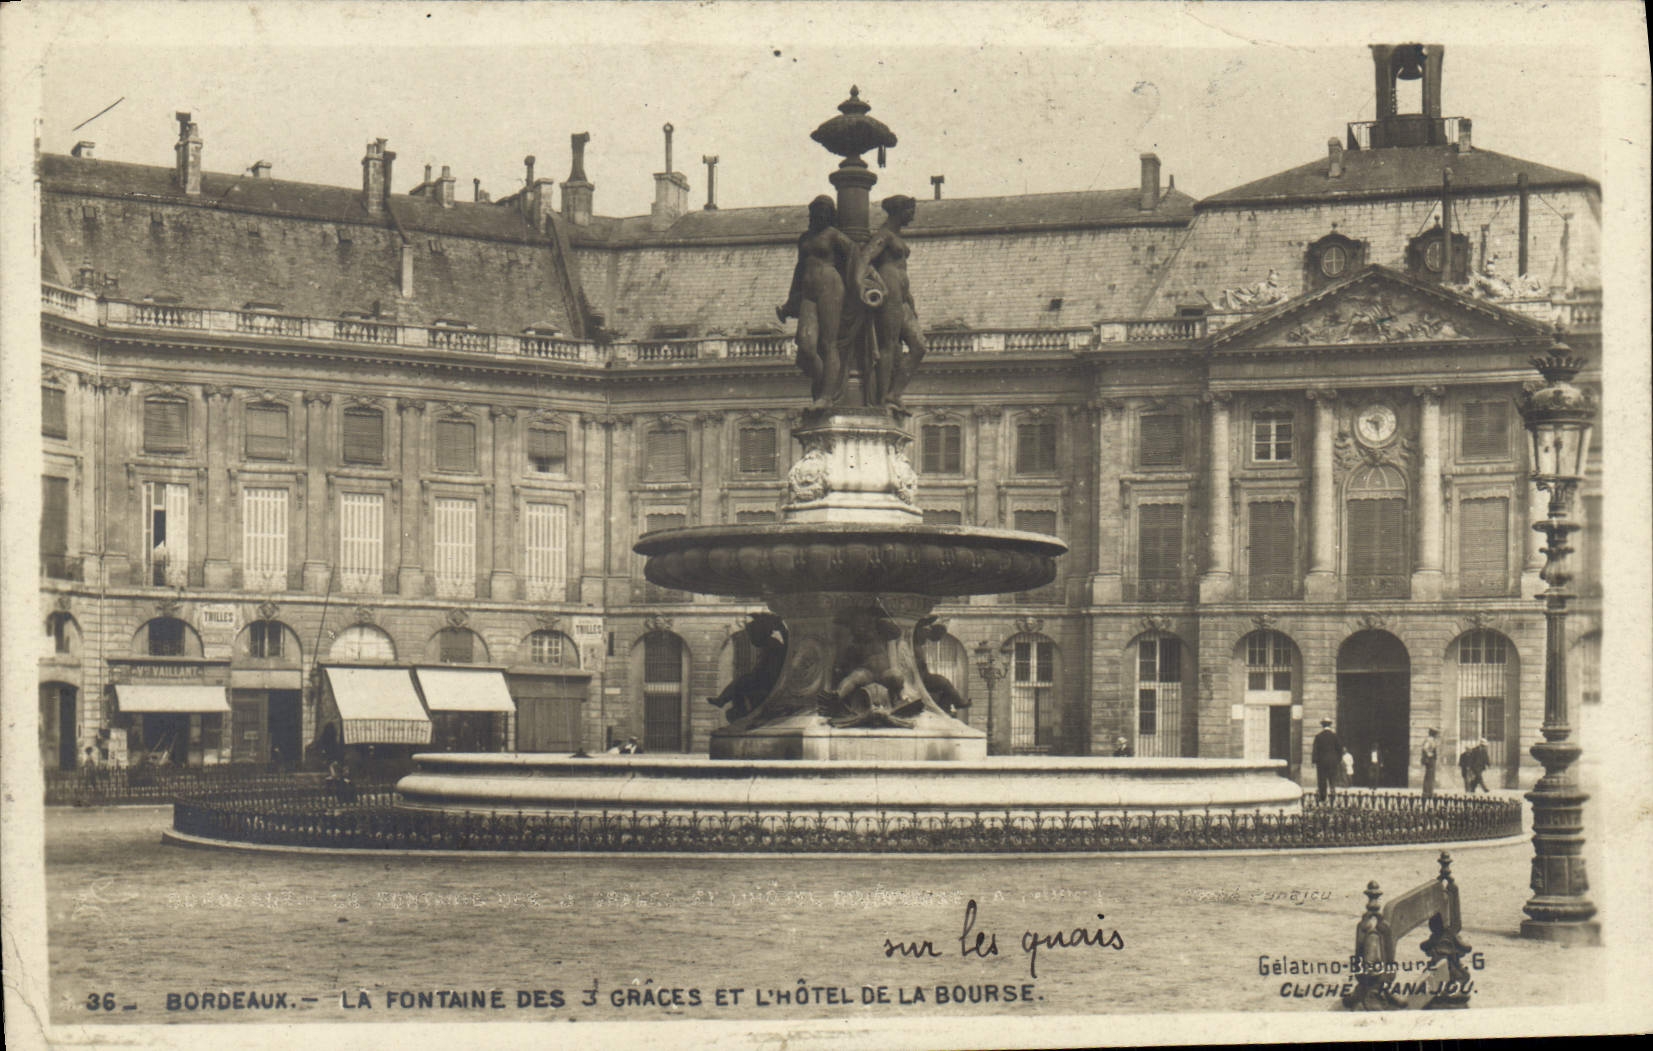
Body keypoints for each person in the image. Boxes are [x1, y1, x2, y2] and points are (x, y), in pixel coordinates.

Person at [777, 196, 856, 406]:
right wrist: (790, 300)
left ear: (830, 214)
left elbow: (855, 255)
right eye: (816, 211)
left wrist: (856, 287)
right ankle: (824, 385)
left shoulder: (834, 235)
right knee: (806, 346)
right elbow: (799, 269)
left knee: (829, 343)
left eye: (824, 211)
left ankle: (826, 395)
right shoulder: (805, 238)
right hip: (808, 290)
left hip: (830, 286)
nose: (819, 215)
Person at [856, 194, 928, 406]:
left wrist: (911, 302)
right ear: (898, 211)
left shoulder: (895, 236)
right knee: (888, 345)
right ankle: (883, 399)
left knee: (919, 347)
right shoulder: (884, 235)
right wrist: (860, 284)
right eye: (909, 211)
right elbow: (865, 257)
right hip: (890, 292)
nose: (912, 216)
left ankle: (893, 393)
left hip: (902, 297)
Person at [1311, 718, 1342, 803]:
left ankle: (1323, 797)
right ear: (1330, 725)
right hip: (1333, 762)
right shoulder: (1335, 736)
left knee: (1322, 779)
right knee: (1332, 778)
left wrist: (1314, 761)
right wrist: (1338, 760)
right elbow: (1339, 749)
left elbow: (1315, 750)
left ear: (1322, 725)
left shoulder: (1318, 736)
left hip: (1321, 762)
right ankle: (1333, 795)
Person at [1420, 728, 1440, 799]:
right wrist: (1430, 755)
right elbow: (1425, 748)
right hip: (1430, 760)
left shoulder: (1430, 740)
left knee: (1429, 776)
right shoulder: (1430, 740)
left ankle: (1428, 792)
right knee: (1430, 776)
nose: (1437, 735)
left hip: (1430, 760)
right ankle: (1428, 793)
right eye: (1436, 734)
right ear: (1433, 734)